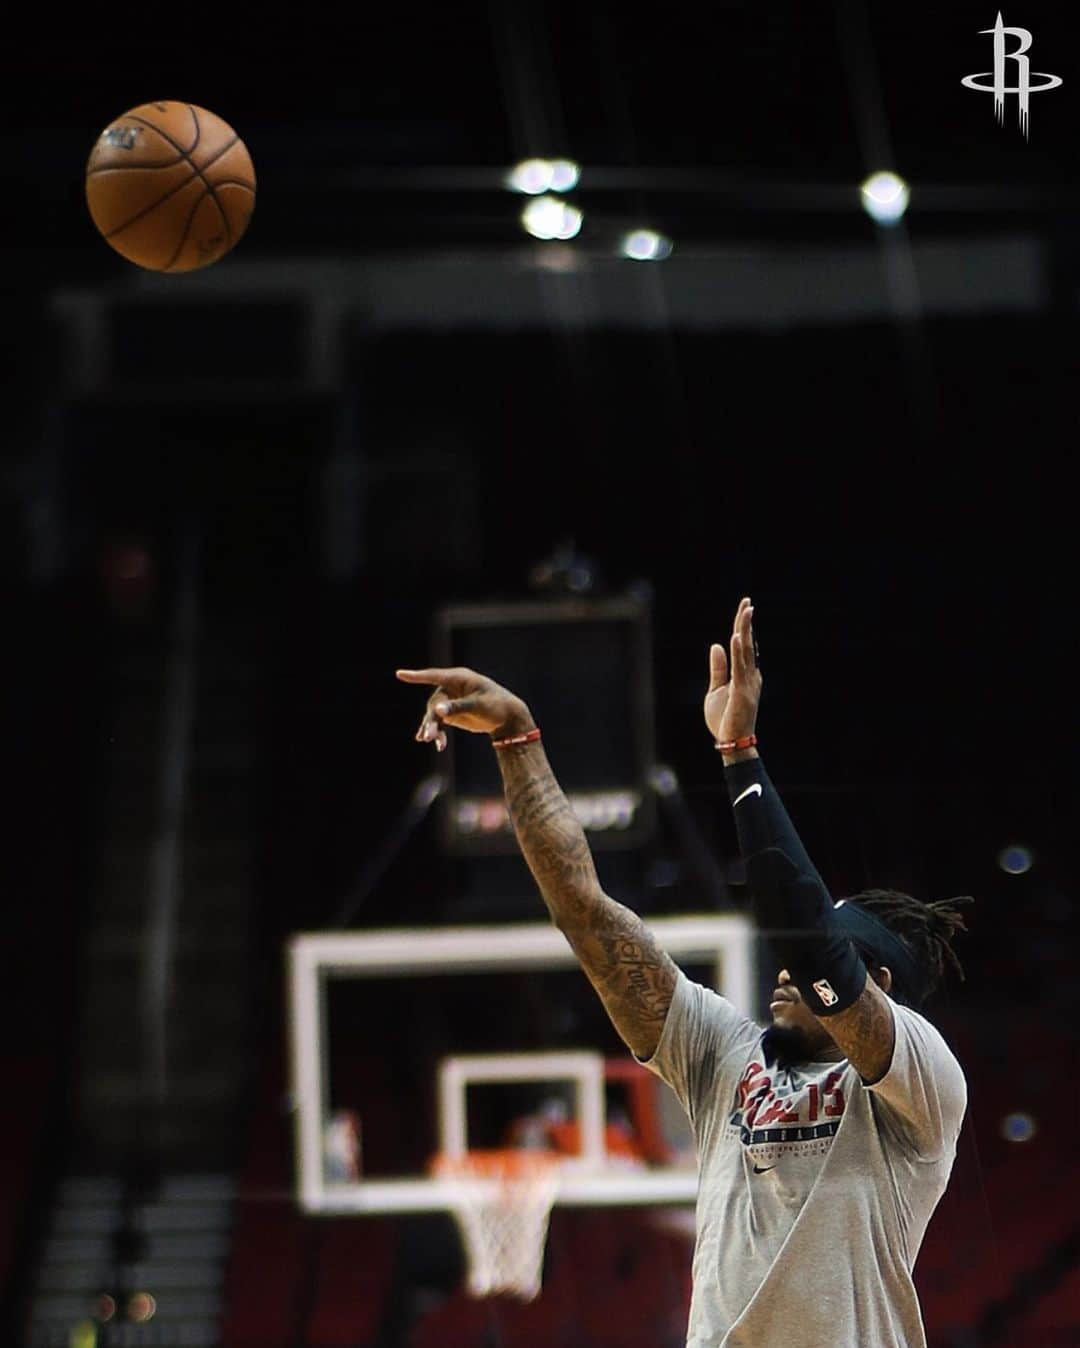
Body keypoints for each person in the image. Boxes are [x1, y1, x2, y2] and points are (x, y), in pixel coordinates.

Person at [396, 596, 971, 1348]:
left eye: (821, 958)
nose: (787, 973)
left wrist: (740, 756)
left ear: (881, 987)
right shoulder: (724, 1054)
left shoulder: (919, 1081)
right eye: (798, 958)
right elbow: (588, 915)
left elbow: (814, 951)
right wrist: (518, 740)